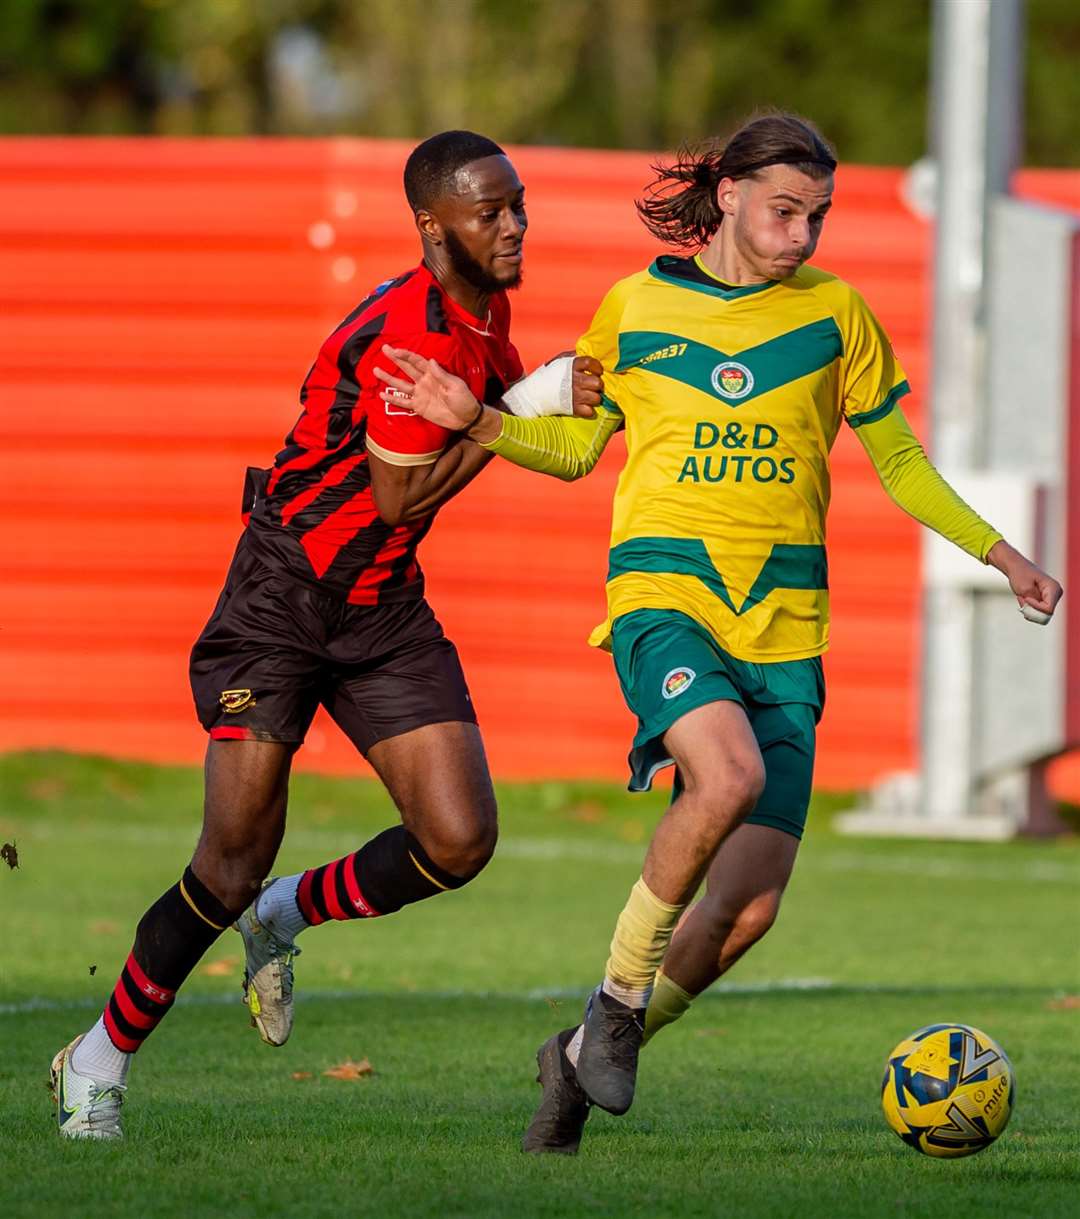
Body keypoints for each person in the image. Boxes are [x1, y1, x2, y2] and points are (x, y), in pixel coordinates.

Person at [372, 111, 1064, 1155]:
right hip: (666, 597)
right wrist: (478, 419)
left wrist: (1002, 553)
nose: (802, 237)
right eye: (786, 212)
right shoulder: (636, 307)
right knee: (724, 773)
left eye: (818, 218)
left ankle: (573, 1059)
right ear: (730, 194)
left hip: (787, 631)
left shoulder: (837, 317)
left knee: (747, 913)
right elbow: (573, 452)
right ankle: (613, 1003)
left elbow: (903, 465)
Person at [50, 128, 602, 1140]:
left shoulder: (488, 315)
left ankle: (287, 915)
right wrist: (509, 410)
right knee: (228, 859)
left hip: (383, 606)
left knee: (459, 837)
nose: (516, 224)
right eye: (492, 211)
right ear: (432, 226)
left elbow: (532, 443)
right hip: (282, 597)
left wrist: (565, 410)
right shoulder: (413, 335)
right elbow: (399, 498)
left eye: (519, 203)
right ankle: (97, 1059)